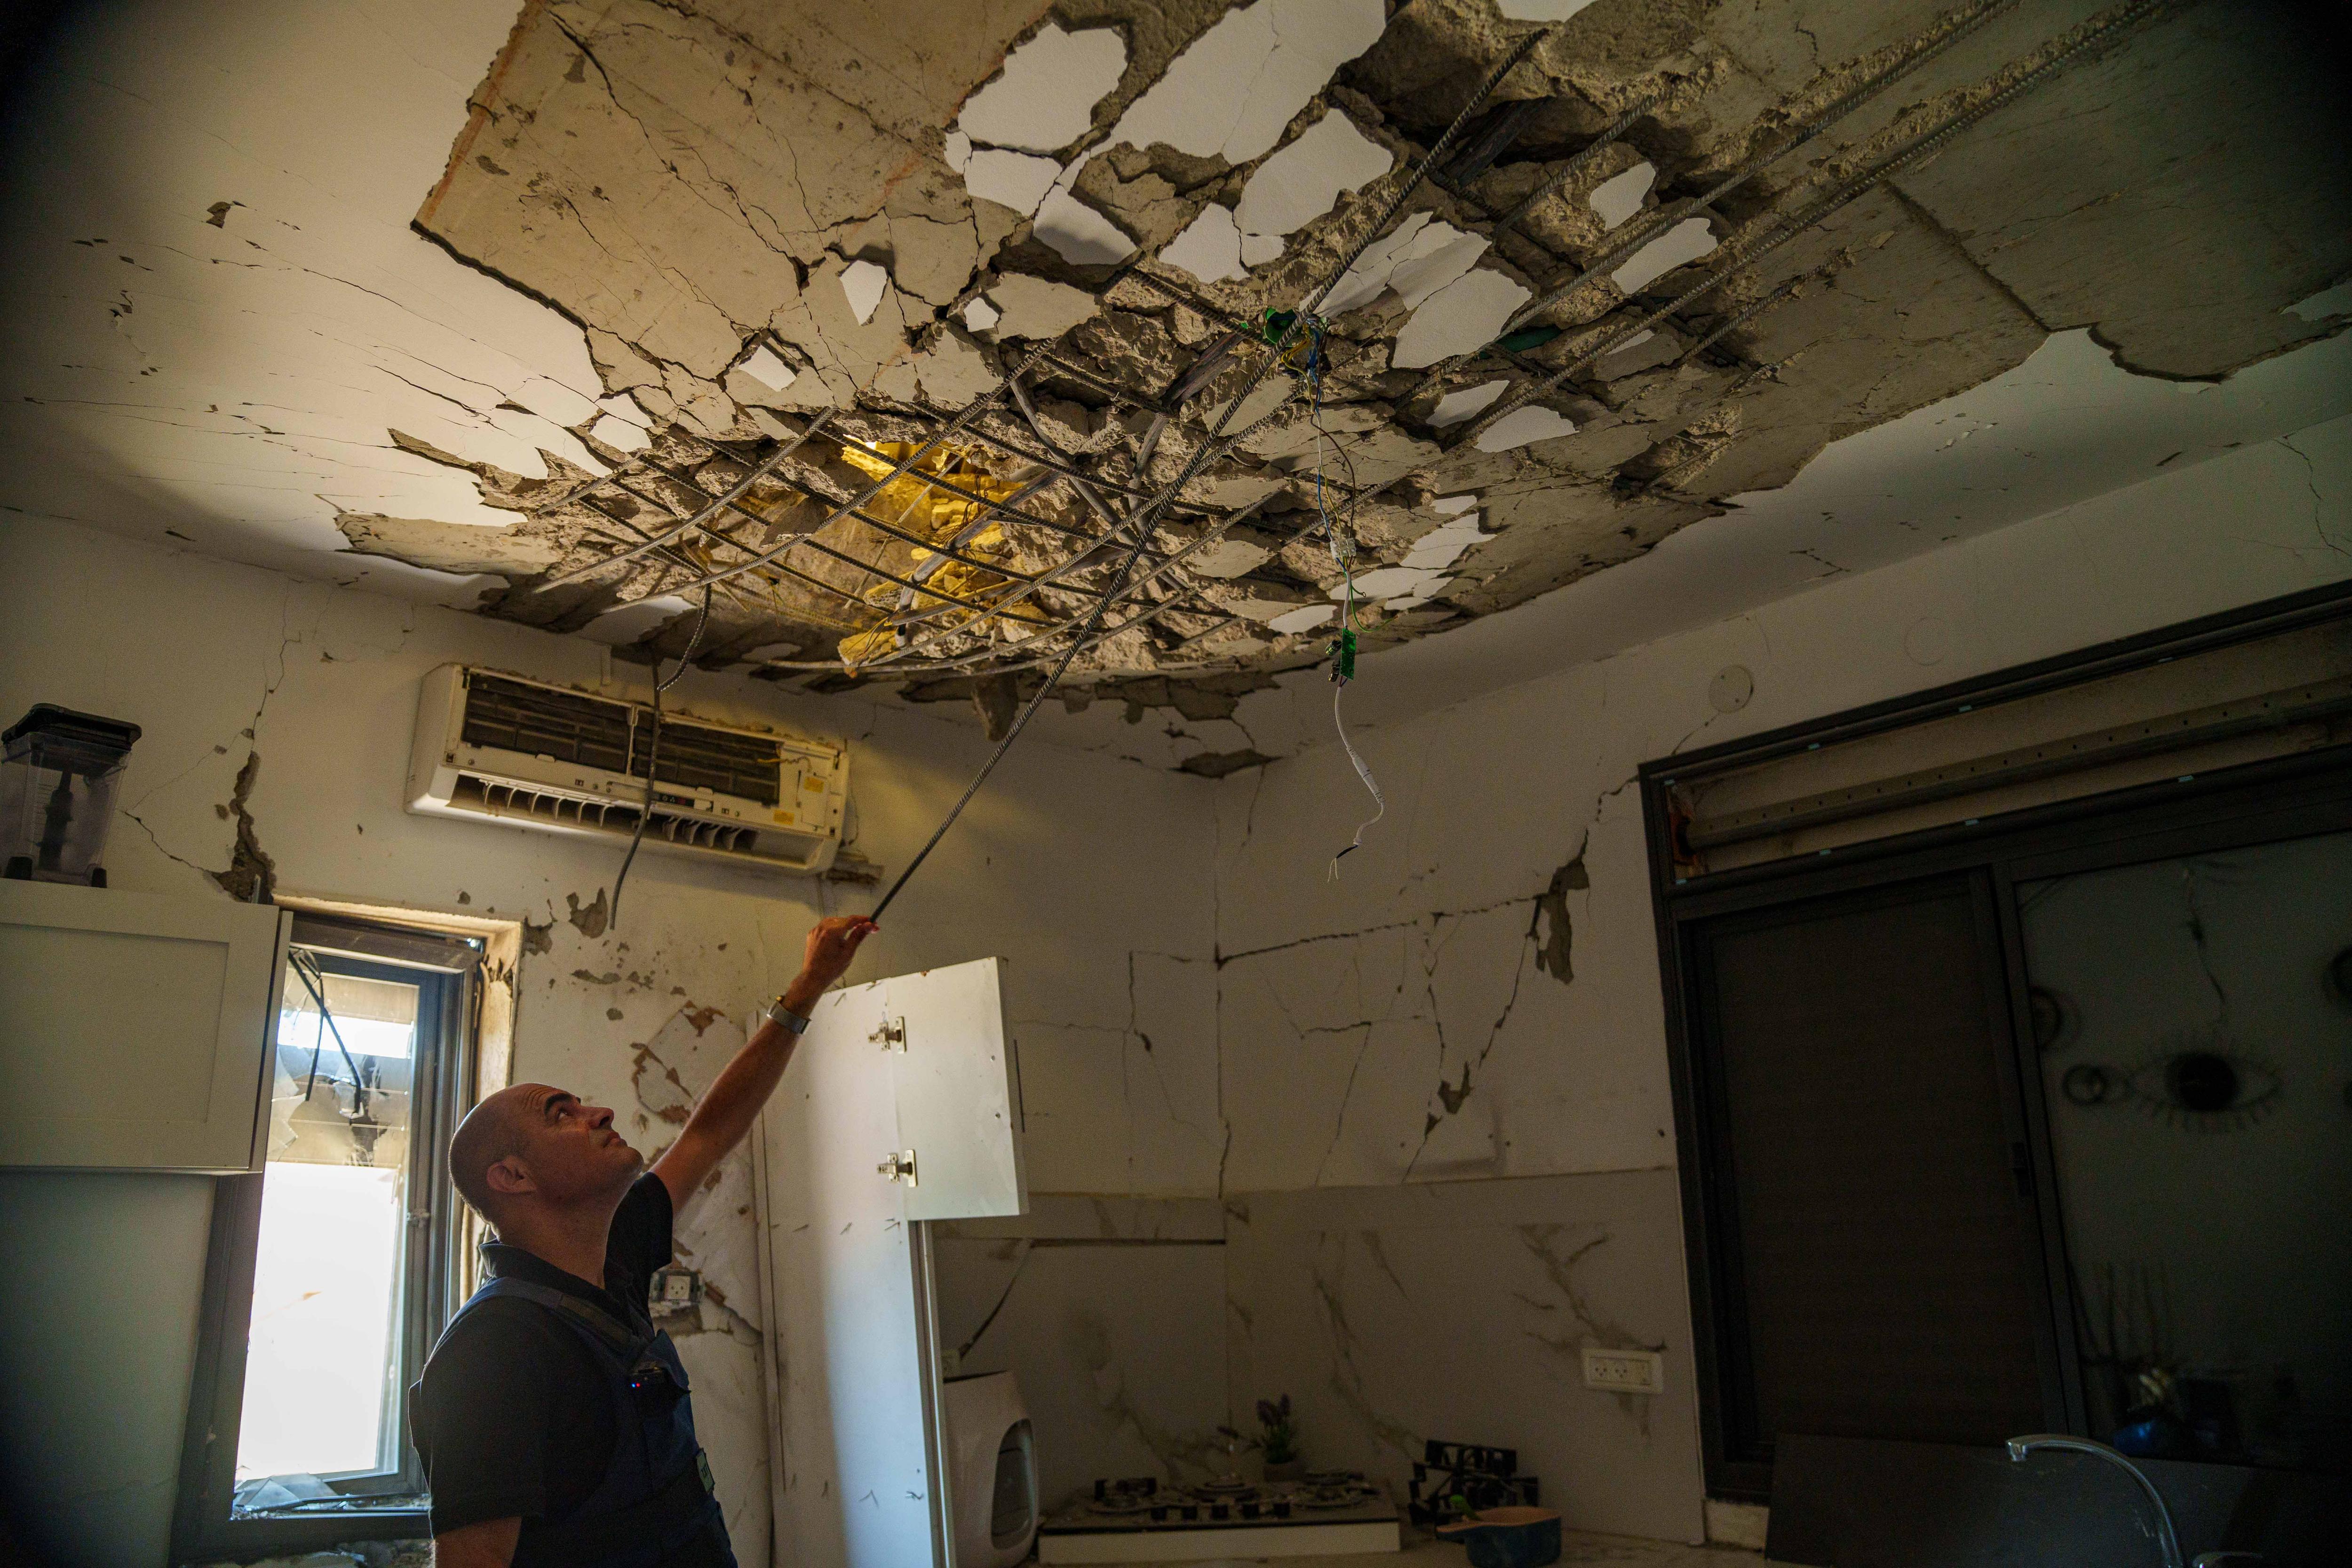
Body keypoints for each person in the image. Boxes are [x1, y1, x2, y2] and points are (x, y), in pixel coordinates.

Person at [415, 914, 878, 1568]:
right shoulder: (492, 1349)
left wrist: (807, 988)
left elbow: (708, 1134)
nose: (599, 1112)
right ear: (513, 1176)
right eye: (561, 1114)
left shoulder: (612, 1259)